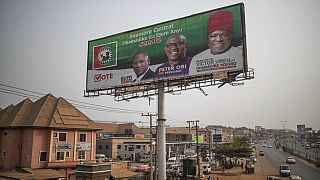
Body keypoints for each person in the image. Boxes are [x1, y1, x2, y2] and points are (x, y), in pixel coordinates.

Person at [189, 10, 243, 76]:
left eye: (224, 35)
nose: (219, 39)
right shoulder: (196, 59)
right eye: (213, 36)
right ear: (208, 38)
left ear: (231, 36)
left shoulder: (240, 54)